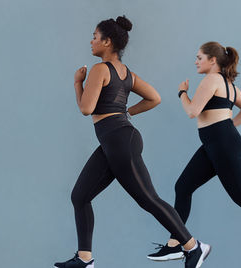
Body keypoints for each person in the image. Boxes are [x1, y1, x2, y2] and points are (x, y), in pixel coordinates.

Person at [54, 16, 211, 268]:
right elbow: (155, 98)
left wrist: (76, 83)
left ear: (107, 42)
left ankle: (194, 247)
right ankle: (85, 259)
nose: (91, 41)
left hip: (119, 140)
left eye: (95, 37)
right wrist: (127, 112)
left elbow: (86, 108)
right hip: (115, 141)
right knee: (80, 196)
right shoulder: (126, 74)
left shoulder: (100, 69)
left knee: (148, 198)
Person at [146, 41, 241, 268]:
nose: (196, 61)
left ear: (212, 60)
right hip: (215, 143)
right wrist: (227, 127)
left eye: (199, 57)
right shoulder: (228, 85)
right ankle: (176, 243)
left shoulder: (212, 80)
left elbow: (192, 111)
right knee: (183, 187)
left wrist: (182, 93)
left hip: (222, 144)